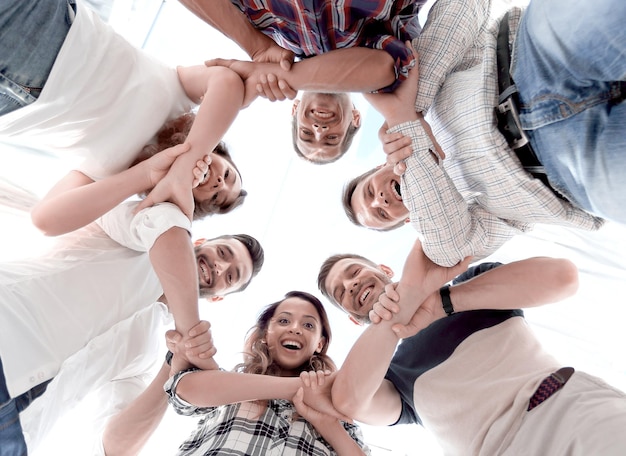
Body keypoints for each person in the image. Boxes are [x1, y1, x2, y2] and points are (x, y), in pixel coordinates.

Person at [342, 0, 625, 267]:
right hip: (575, 170)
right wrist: (404, 122)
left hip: (536, 56)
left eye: (370, 193)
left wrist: (414, 103)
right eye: (381, 213)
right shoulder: (455, 221)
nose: (381, 200)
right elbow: (451, 249)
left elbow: (467, 5)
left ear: (379, 167)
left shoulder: (417, 88)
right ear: (406, 221)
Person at [0, 179, 265, 455]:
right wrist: (190, 329)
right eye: (223, 252)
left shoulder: (153, 352)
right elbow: (163, 222)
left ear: (219, 296)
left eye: (231, 276)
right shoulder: (136, 237)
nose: (220, 266)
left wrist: (175, 366)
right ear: (198, 241)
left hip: (18, 428)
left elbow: (112, 448)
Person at [330, 241, 626, 454]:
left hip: (567, 410)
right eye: (341, 291)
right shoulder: (392, 379)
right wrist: (401, 304)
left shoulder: (470, 285)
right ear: (354, 321)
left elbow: (563, 278)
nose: (351, 285)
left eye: (353, 272)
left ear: (383, 269)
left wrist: (442, 303)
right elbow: (348, 402)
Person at [0, 0, 254, 223]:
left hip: (12, 108)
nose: (220, 184)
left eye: (217, 197)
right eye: (229, 175)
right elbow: (226, 81)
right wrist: (186, 163)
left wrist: (149, 175)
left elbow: (45, 219)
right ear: (218, 152)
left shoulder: (119, 176)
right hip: (48, 34)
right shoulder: (180, 96)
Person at [179, 0, 426, 163]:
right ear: (356, 117)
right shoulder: (376, 54)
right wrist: (272, 74)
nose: (319, 131)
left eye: (306, 133)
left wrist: (256, 46)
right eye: (331, 138)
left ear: (295, 109)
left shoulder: (270, 33)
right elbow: (390, 63)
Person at [163, 291, 370, 455]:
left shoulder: (337, 413)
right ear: (265, 335)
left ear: (320, 344)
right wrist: (300, 388)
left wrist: (327, 423)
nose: (295, 329)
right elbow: (184, 389)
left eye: (308, 325)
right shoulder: (229, 385)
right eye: (283, 321)